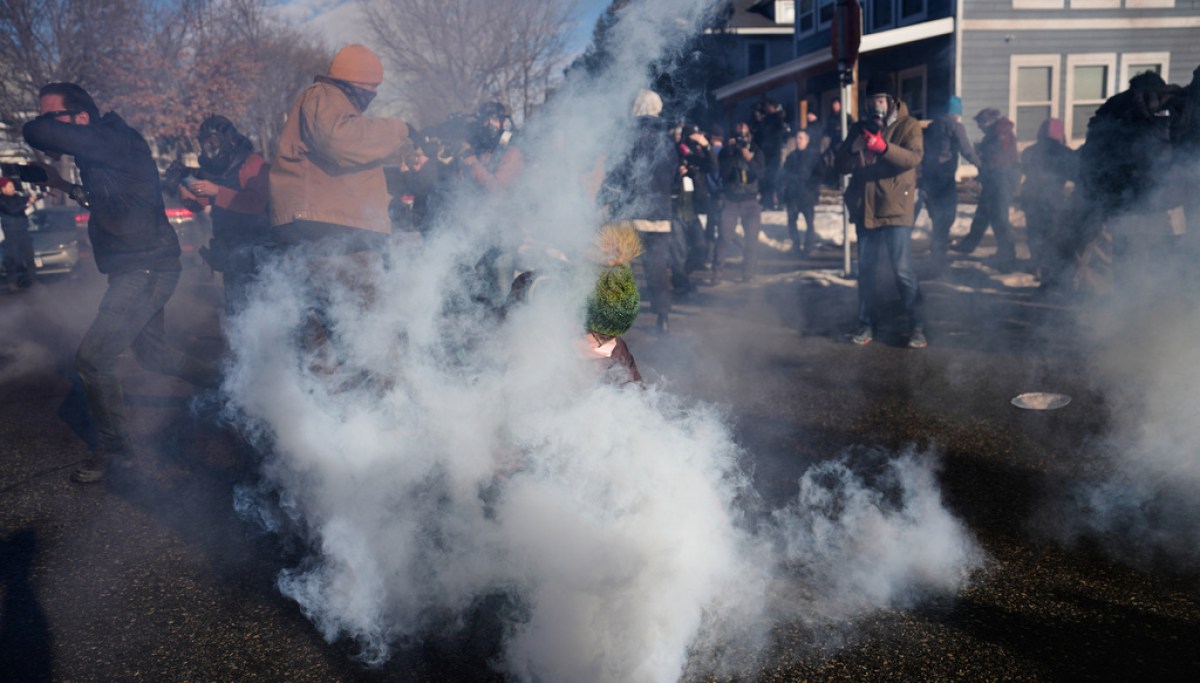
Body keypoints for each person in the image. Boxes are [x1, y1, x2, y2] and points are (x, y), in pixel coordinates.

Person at [23, 82, 220, 483]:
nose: (45, 123)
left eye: (51, 115)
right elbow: (108, 202)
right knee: (156, 356)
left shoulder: (114, 138)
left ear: (81, 117)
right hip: (141, 266)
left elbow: (34, 133)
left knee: (93, 360)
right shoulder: (100, 152)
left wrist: (41, 130)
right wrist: (61, 186)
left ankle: (118, 453)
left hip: (145, 269)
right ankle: (231, 387)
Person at [269, 44, 414, 373]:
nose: (375, 94)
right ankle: (388, 414)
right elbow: (343, 142)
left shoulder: (329, 104)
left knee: (324, 339)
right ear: (358, 84)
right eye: (373, 87)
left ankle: (328, 416)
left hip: (325, 236)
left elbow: (350, 152)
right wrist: (401, 129)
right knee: (373, 331)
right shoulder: (325, 95)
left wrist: (402, 150)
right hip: (336, 237)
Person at [835, 77, 927, 349]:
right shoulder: (859, 128)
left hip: (896, 208)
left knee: (902, 269)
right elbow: (839, 165)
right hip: (866, 209)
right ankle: (866, 323)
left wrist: (883, 148)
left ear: (890, 102)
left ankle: (917, 325)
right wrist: (853, 150)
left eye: (879, 101)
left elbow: (913, 158)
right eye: (870, 101)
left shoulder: (908, 125)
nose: (874, 107)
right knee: (867, 271)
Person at [600, 88, 678, 334]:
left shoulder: (628, 137)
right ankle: (662, 317)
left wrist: (604, 200)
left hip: (630, 215)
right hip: (659, 216)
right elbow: (672, 175)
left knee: (622, 267)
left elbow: (618, 175)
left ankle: (620, 320)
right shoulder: (666, 139)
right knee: (657, 268)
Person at [178, 115, 271, 314]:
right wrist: (187, 193)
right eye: (205, 143)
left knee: (264, 309)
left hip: (258, 250)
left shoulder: (252, 164)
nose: (210, 149)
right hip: (230, 250)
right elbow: (198, 204)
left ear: (231, 141)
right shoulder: (214, 168)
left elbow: (258, 202)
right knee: (236, 310)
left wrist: (217, 191)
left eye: (213, 143)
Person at [952, 108, 1019, 268]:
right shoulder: (994, 133)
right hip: (994, 179)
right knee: (983, 213)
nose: (979, 126)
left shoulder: (1002, 131)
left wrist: (982, 152)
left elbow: (1000, 156)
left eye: (980, 123)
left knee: (1000, 217)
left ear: (989, 120)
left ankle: (1007, 255)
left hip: (1002, 180)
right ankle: (968, 245)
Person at [920, 96, 981, 267]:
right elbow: (966, 149)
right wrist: (980, 164)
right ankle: (938, 257)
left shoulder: (932, 126)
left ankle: (936, 252)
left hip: (929, 176)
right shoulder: (955, 126)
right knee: (947, 215)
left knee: (936, 215)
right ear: (956, 112)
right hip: (944, 177)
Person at [1018, 118, 1076, 283]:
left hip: (1031, 198)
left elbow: (1026, 169)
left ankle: (1038, 264)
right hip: (1052, 200)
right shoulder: (1066, 153)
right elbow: (1075, 174)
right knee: (1051, 234)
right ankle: (1047, 268)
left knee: (1034, 233)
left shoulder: (1029, 151)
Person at [714, 122, 766, 283]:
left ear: (749, 135)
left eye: (745, 135)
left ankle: (748, 272)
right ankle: (717, 271)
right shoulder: (727, 152)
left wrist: (750, 159)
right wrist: (731, 153)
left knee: (752, 239)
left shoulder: (756, 151)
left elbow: (762, 174)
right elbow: (722, 173)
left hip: (750, 201)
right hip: (731, 201)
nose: (742, 139)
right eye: (739, 136)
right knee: (724, 237)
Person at [780, 129, 822, 255]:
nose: (798, 141)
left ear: (807, 140)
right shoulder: (791, 156)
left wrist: (811, 186)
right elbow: (784, 174)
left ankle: (809, 247)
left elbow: (819, 174)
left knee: (809, 222)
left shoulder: (814, 156)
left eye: (801, 138)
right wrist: (784, 190)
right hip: (793, 195)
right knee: (792, 221)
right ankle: (796, 245)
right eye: (797, 138)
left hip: (807, 194)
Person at [0, 177, 37, 293]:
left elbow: (25, 199)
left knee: (30, 257)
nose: (13, 188)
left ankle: (34, 281)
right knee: (13, 259)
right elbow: (13, 211)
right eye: (10, 186)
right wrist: (28, 204)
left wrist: (44, 194)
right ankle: (12, 283)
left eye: (13, 186)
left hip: (23, 231)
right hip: (11, 233)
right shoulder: (2, 200)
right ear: (3, 188)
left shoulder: (16, 197)